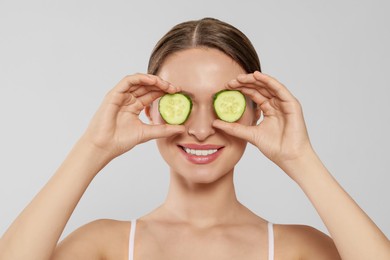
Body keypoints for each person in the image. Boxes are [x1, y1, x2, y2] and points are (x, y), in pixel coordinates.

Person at [0, 17, 389, 260]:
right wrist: (92, 148)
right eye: (180, 103)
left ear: (256, 111)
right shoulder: (105, 244)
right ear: (150, 109)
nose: (201, 129)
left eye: (225, 104)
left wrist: (301, 159)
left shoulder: (298, 249)